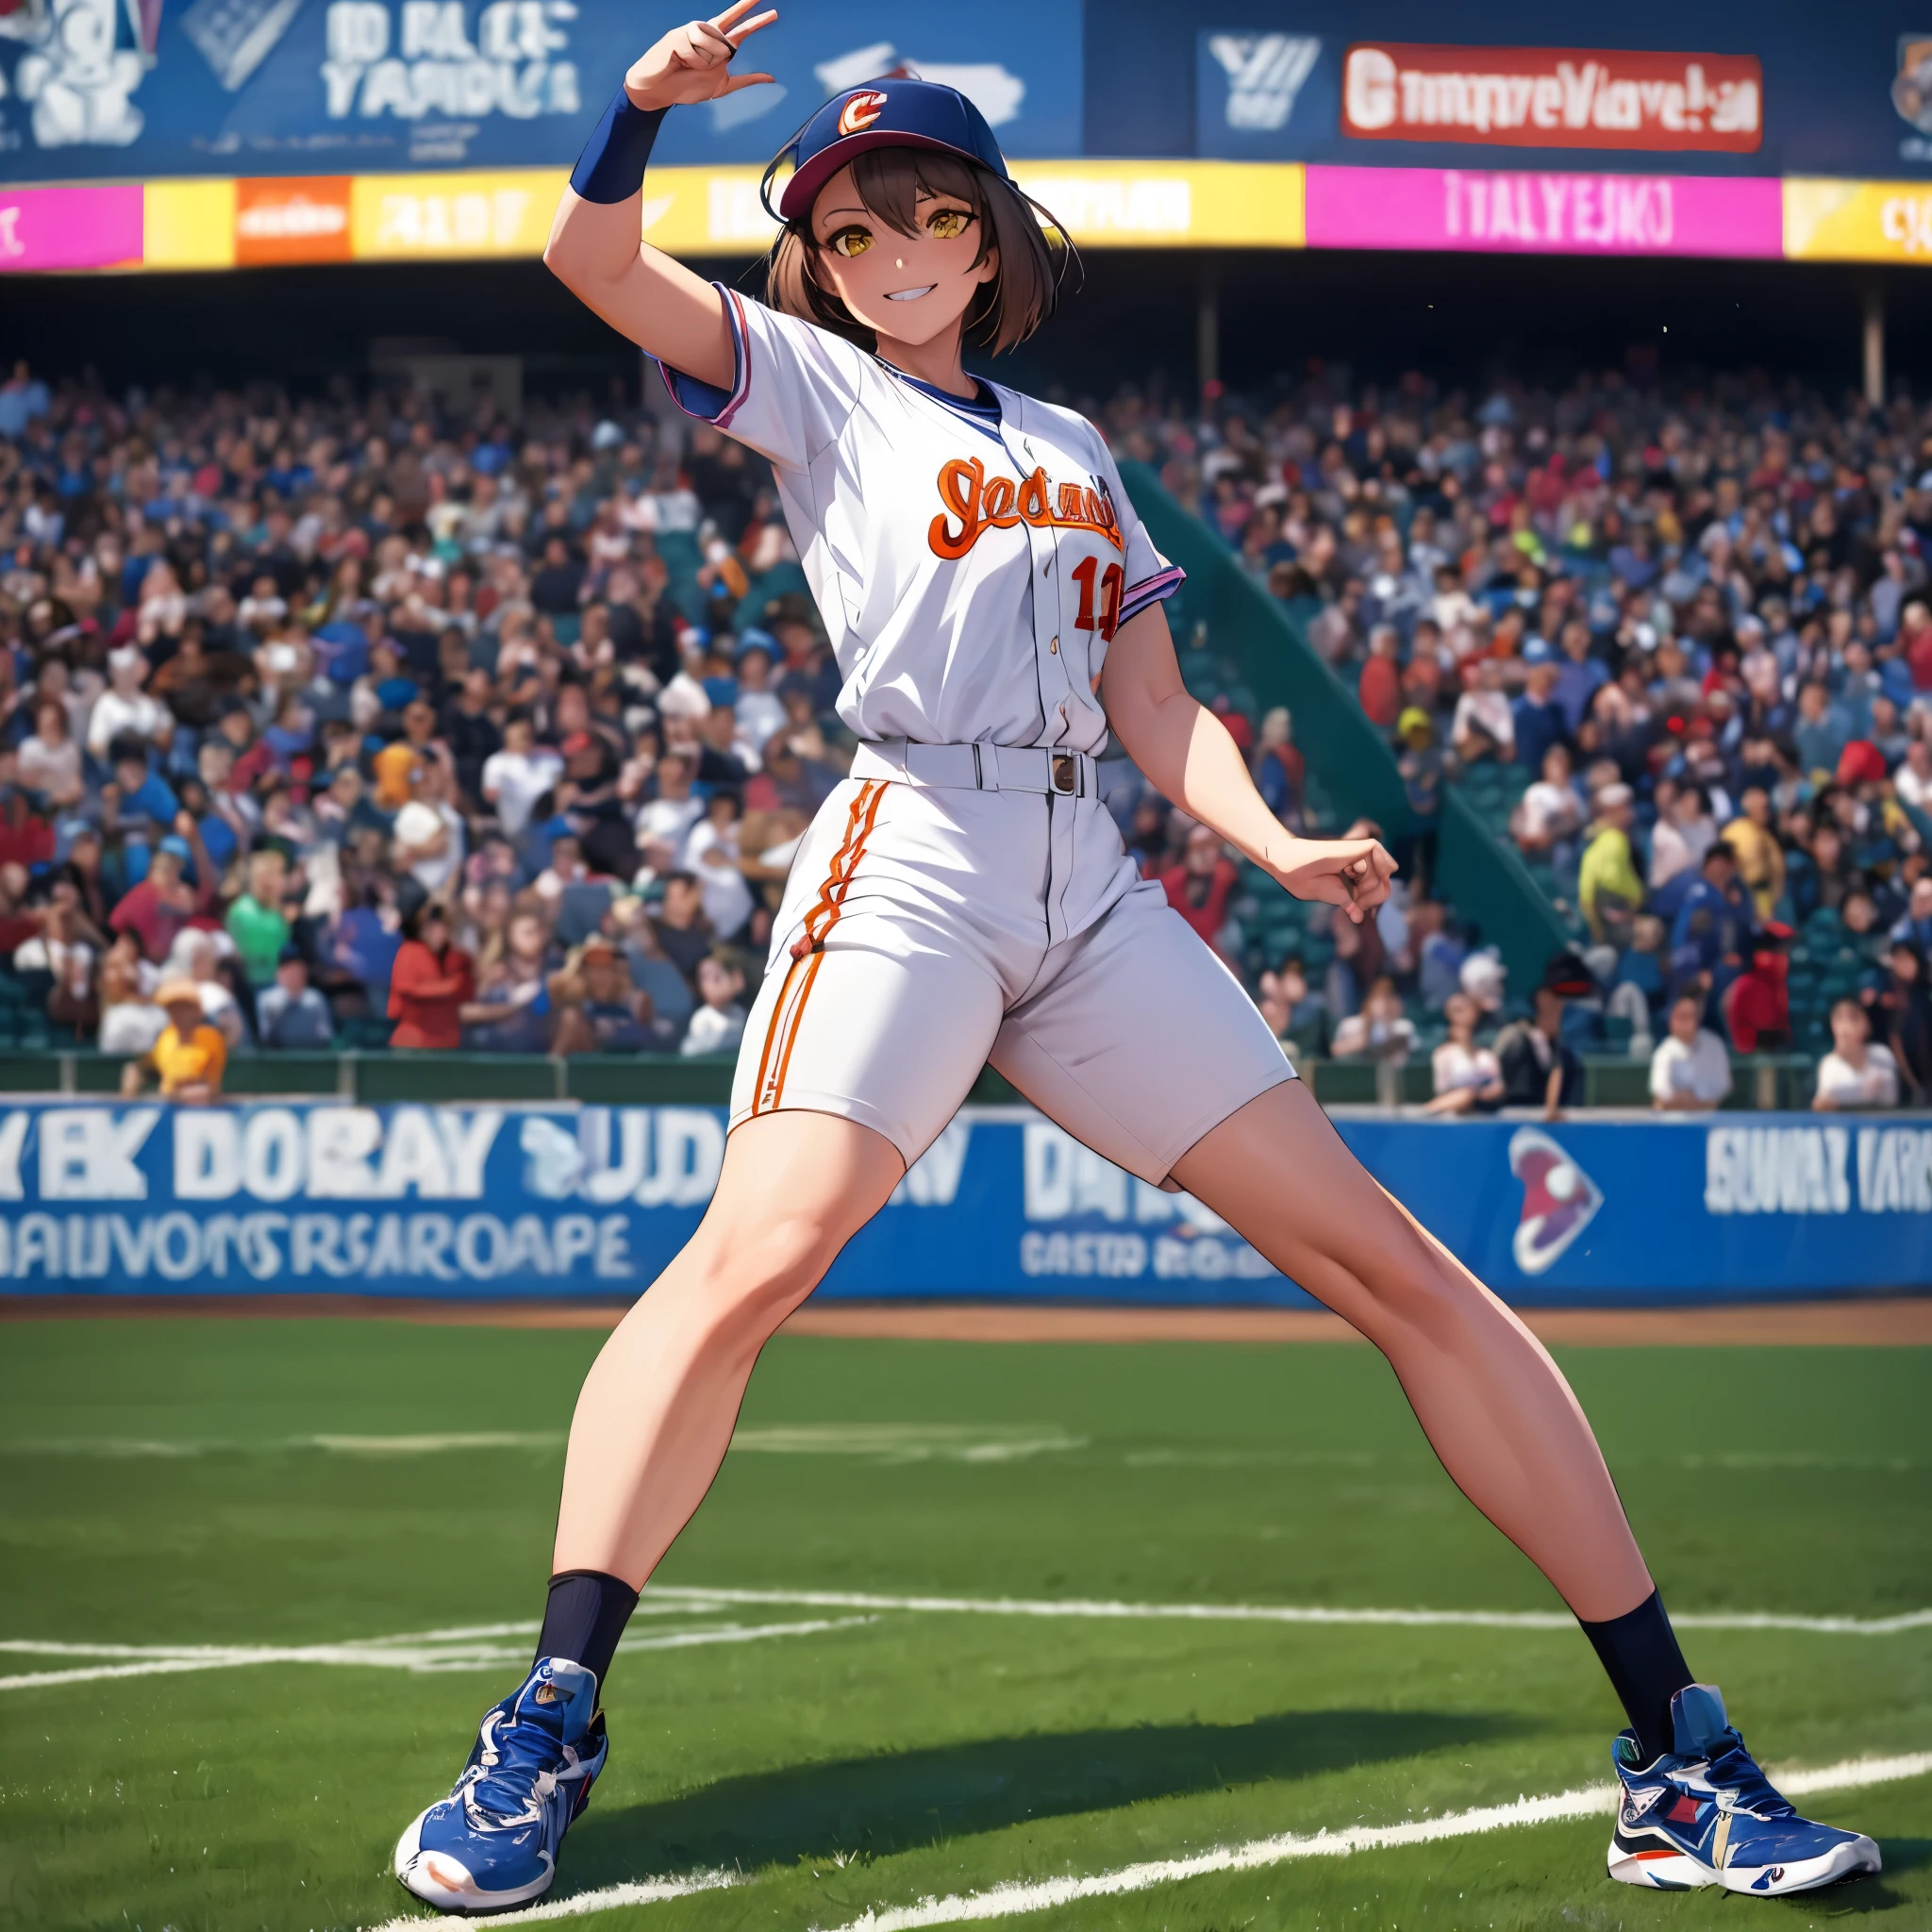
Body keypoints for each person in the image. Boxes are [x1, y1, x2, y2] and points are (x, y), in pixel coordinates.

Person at [388, 19, 1876, 1911]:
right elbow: (592, 268)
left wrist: (1267, 840)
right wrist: (631, 122)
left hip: (1084, 881)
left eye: (930, 209)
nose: (894, 247)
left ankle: (1677, 1755)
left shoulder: (1077, 451)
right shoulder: (814, 387)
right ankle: (546, 1720)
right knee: (762, 1249)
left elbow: (1153, 703)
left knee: (1395, 1269)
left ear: (991, 235)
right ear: (821, 266)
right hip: (910, 850)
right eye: (851, 230)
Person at [1495, 951, 1591, 1117]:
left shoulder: (1567, 1052)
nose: (1566, 1005)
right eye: (1561, 997)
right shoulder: (1516, 1039)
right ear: (1542, 998)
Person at [119, 978, 225, 1102]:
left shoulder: (210, 1037)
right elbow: (149, 1067)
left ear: (197, 1010)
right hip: (166, 1109)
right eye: (173, 1008)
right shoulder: (166, 1037)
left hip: (201, 1112)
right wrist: (135, 1074)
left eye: (184, 1008)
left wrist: (176, 1096)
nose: (178, 1013)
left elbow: (211, 1090)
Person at [388, 901, 475, 1050]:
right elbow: (407, 990)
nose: (438, 932)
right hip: (414, 1040)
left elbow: (467, 992)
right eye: (432, 927)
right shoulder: (410, 952)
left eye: (443, 926)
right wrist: (449, 987)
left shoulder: (456, 958)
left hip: (447, 1042)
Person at [1649, 990, 1732, 1112]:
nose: (1685, 1023)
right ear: (1671, 1021)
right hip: (1673, 1121)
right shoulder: (1664, 1051)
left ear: (1697, 1019)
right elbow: (1660, 1095)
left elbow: (1722, 1087)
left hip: (1710, 1120)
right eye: (1680, 1017)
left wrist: (1697, 1098)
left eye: (1689, 1017)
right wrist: (1687, 1100)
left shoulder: (1714, 1045)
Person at [1812, 997, 1900, 1110]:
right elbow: (1821, 1106)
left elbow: (1891, 1100)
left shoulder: (1882, 1055)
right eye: (1839, 1019)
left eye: (1853, 1019)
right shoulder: (1829, 1064)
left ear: (1866, 1025)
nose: (1845, 1027)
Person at [1424, 990, 1502, 1115]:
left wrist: (1476, 1094)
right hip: (1453, 1113)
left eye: (1468, 1008)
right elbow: (1442, 1092)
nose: (1465, 1014)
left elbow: (1498, 1088)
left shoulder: (1487, 1054)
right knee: (1465, 1094)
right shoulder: (1443, 1054)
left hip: (1486, 1110)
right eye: (1458, 1010)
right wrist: (1467, 1095)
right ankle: (1424, 1113)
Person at [256, 946, 336, 1050]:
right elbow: (265, 1037)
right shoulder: (266, 999)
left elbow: (325, 1035)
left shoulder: (316, 998)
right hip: (279, 1061)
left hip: (311, 1058)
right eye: (289, 970)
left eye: (298, 970)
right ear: (279, 973)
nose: (294, 975)